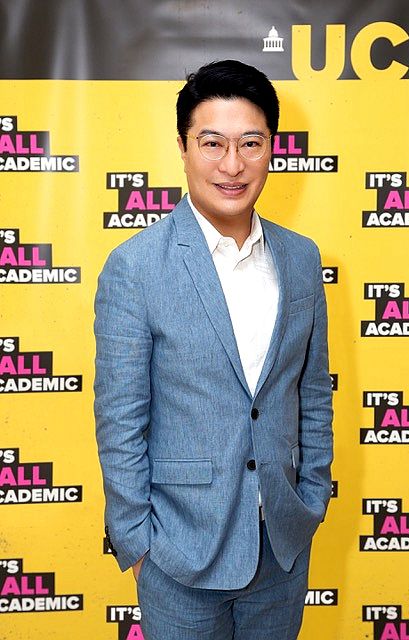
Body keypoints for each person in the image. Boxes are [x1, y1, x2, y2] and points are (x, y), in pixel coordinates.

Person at [94, 59, 333, 640]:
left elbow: (312, 393)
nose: (232, 165)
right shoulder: (136, 266)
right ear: (182, 147)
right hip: (178, 551)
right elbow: (120, 419)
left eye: (250, 143)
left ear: (272, 149)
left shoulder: (301, 258)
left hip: (281, 546)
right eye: (212, 143)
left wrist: (310, 499)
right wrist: (138, 543)